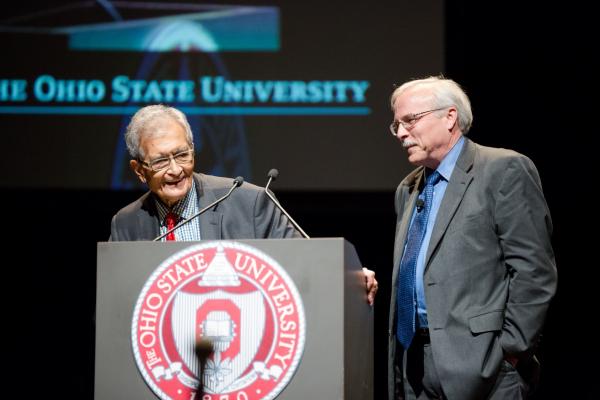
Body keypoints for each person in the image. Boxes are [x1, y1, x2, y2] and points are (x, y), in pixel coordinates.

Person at [387, 77, 556, 400]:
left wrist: (510, 350)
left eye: (410, 121)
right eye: (396, 125)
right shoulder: (408, 188)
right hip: (415, 366)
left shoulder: (503, 169)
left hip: (485, 369)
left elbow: (534, 271)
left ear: (449, 117)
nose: (401, 133)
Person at [109, 104, 378, 304]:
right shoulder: (127, 222)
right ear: (139, 170)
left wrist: (349, 279)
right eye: (160, 161)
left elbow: (303, 264)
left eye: (182, 155)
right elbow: (115, 304)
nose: (175, 170)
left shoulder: (247, 201)